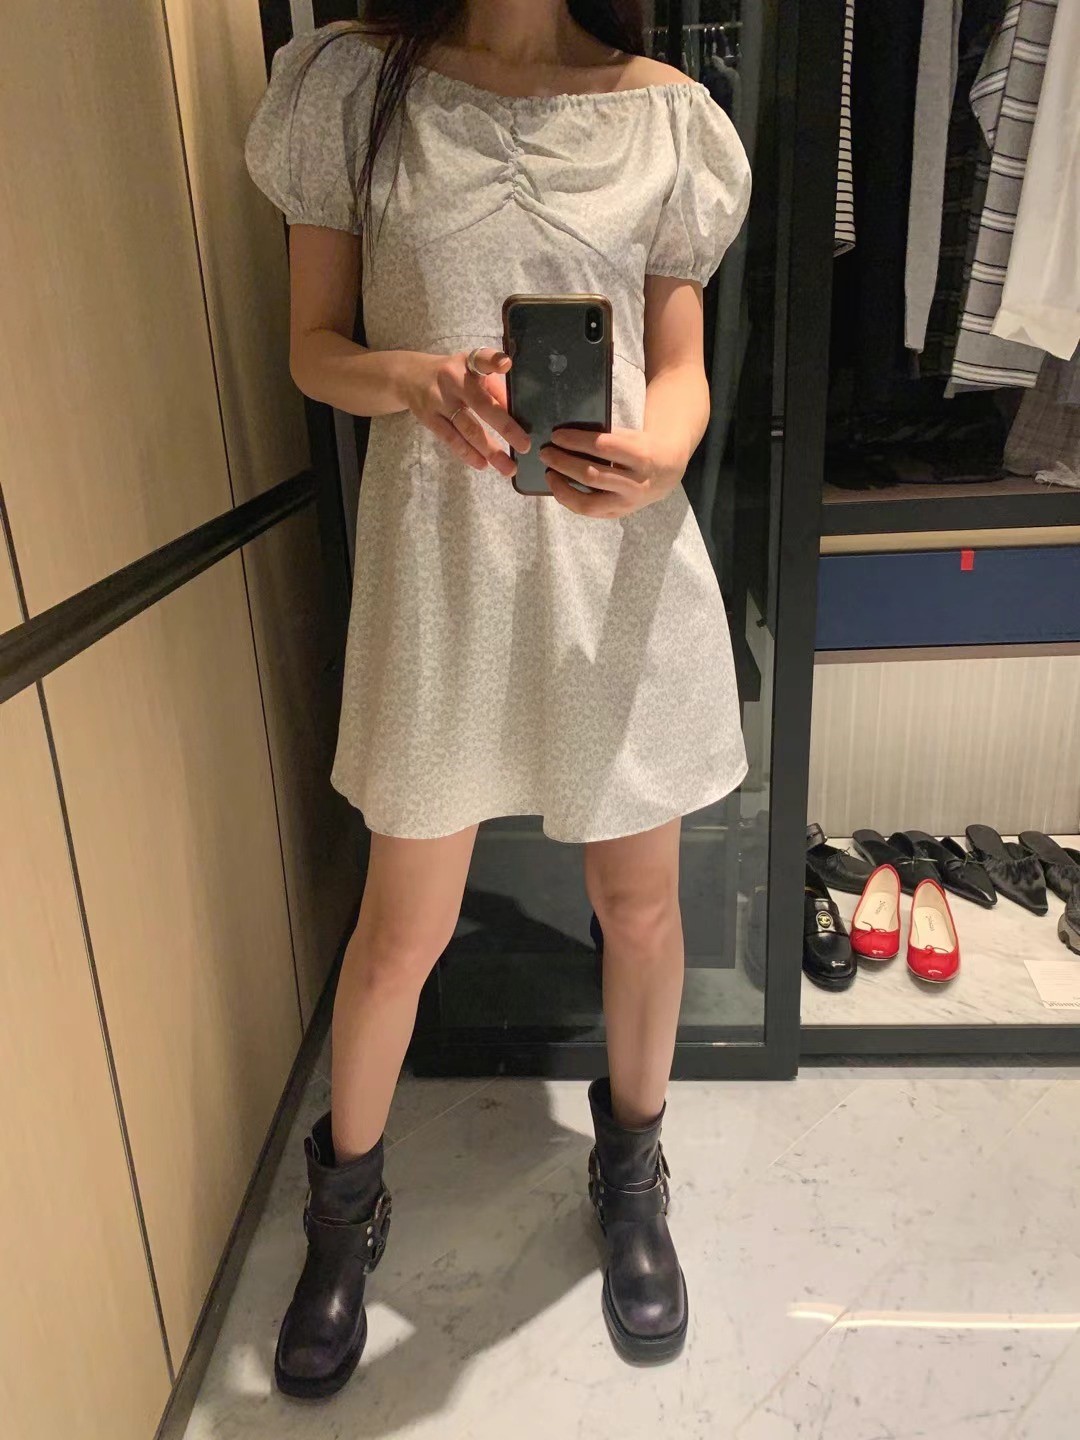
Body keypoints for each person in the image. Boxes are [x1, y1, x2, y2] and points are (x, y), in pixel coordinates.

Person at [245, 0, 750, 1396]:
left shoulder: (665, 116)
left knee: (641, 907)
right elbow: (311, 347)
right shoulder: (351, 85)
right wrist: (410, 377)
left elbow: (682, 366)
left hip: (616, 557)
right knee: (399, 933)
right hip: (440, 562)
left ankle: (632, 1174)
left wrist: (663, 454)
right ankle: (344, 1212)